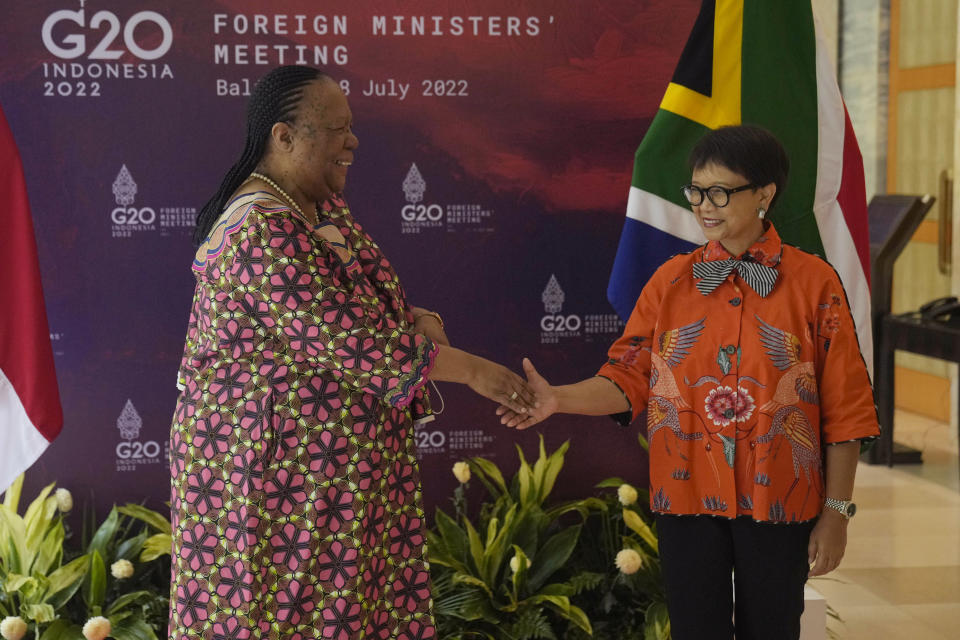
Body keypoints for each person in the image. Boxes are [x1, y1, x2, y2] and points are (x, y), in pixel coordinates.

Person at [169, 65, 536, 639]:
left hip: (332, 477)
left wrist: (418, 319)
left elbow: (363, 297)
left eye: (351, 126)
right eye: (336, 128)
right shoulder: (258, 228)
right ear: (283, 136)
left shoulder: (313, 204)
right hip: (275, 480)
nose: (353, 141)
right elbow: (350, 340)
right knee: (281, 618)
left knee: (351, 617)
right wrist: (476, 372)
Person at [497, 125, 879, 640]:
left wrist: (837, 512)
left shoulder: (815, 282)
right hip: (687, 497)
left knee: (775, 629)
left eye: (721, 192)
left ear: (764, 193)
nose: (705, 205)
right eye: (697, 192)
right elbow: (627, 378)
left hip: (782, 499)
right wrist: (556, 398)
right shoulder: (670, 282)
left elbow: (845, 407)